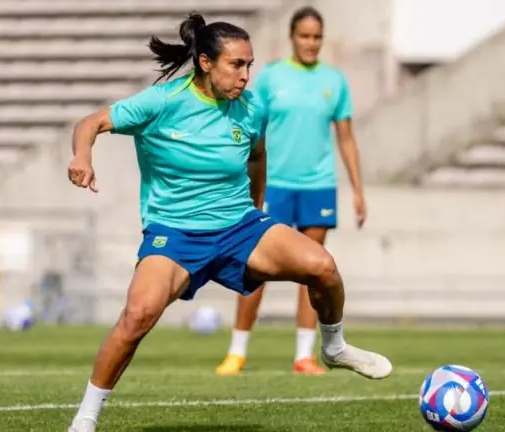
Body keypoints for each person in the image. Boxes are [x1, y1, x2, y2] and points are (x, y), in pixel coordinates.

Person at [65, 13, 391, 432]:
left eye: (250, 65)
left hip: (239, 225)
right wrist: (81, 157)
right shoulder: (162, 102)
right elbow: (91, 123)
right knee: (138, 315)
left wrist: (256, 213)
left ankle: (334, 347)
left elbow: (257, 157)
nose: (245, 75)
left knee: (323, 267)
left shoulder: (252, 108)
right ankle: (85, 419)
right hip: (175, 232)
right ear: (205, 62)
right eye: (236, 65)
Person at [216, 6, 367, 376]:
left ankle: (304, 356)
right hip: (276, 185)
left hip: (318, 185)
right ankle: (237, 351)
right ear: (292, 37)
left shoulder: (335, 81)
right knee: (255, 268)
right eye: (304, 36)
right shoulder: (269, 78)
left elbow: (346, 137)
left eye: (317, 37)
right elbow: (252, 131)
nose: (311, 43)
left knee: (312, 271)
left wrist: (359, 190)